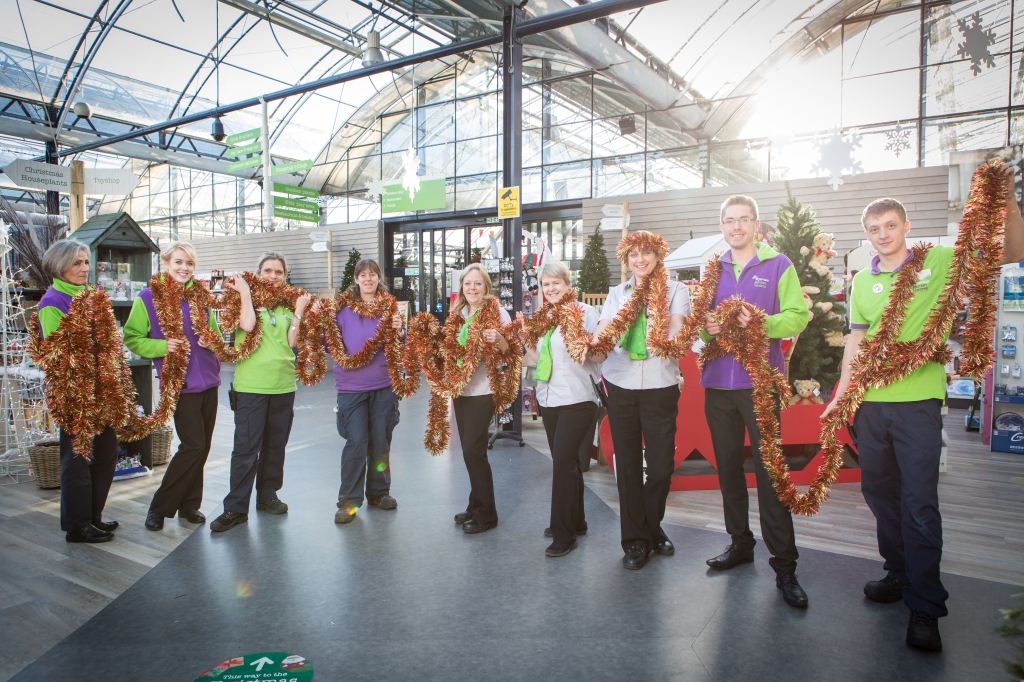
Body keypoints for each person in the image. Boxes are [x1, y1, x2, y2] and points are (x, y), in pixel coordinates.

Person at [824, 165, 1024, 651]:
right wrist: (841, 393)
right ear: (866, 235)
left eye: (890, 226)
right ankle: (897, 573)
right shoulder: (862, 282)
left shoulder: (938, 261)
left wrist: (1010, 202)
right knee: (879, 494)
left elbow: (1009, 252)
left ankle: (926, 605)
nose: (882, 235)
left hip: (917, 403)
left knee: (919, 503)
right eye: (873, 230)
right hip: (870, 405)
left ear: (906, 227)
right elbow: (856, 340)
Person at [700, 195, 810, 608]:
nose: (736, 227)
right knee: (727, 468)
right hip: (718, 384)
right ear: (723, 226)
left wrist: (763, 323)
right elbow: (702, 327)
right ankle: (739, 543)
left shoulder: (779, 265)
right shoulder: (713, 270)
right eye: (729, 221)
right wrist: (709, 327)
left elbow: (798, 316)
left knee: (770, 473)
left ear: (756, 224)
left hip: (759, 384)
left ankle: (785, 566)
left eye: (744, 220)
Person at [592, 230, 690, 570]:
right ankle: (635, 540)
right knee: (628, 466)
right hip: (620, 384)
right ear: (626, 259)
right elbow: (605, 326)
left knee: (661, 467)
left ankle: (651, 526)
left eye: (646, 253)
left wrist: (663, 334)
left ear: (658, 255)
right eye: (633, 254)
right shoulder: (617, 294)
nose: (640, 259)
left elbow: (678, 325)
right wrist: (596, 339)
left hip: (662, 384)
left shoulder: (677, 290)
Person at [124, 241, 227, 531]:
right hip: (180, 384)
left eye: (190, 263)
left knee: (202, 447)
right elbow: (132, 337)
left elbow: (215, 332)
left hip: (210, 380)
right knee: (193, 445)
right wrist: (162, 345)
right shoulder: (147, 298)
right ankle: (160, 507)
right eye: (179, 262)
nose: (184, 268)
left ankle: (190, 504)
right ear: (166, 263)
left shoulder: (200, 297)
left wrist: (212, 340)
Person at [211, 253, 312, 532]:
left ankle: (268, 496)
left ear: (285, 275)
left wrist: (300, 312)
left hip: (283, 386)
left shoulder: (288, 303)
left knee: (275, 446)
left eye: (278, 271)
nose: (273, 275)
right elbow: (247, 325)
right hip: (251, 387)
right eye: (268, 270)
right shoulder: (243, 298)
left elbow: (292, 340)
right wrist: (245, 291)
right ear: (258, 272)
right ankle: (235, 508)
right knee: (245, 449)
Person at [37, 239, 118, 543]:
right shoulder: (53, 303)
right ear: (60, 266)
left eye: (86, 262)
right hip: (75, 394)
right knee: (77, 461)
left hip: (103, 390)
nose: (84, 268)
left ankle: (93, 516)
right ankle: (77, 525)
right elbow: (59, 356)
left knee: (106, 455)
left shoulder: (91, 296)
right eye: (77, 263)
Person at [519, 261, 599, 558]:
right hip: (549, 397)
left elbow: (599, 353)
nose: (551, 289)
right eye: (546, 284)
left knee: (562, 462)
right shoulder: (544, 318)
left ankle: (563, 533)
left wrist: (587, 342)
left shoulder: (585, 313)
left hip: (578, 397)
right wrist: (524, 340)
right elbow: (536, 359)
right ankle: (576, 521)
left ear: (568, 284)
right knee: (567, 462)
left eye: (556, 283)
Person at [331, 259, 405, 525]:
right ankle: (348, 502)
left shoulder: (388, 308)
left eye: (373, 274)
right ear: (356, 279)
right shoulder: (342, 310)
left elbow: (399, 345)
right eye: (363, 275)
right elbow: (331, 342)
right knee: (357, 441)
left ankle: (379, 492)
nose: (368, 279)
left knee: (380, 442)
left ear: (378, 278)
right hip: (351, 387)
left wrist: (399, 330)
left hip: (383, 385)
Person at [450, 263, 512, 535]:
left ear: (486, 286)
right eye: (468, 284)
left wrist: (498, 338)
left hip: (483, 389)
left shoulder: (497, 312)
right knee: (469, 451)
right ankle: (475, 505)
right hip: (460, 390)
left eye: (477, 283)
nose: (472, 288)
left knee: (473, 451)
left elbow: (511, 350)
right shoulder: (459, 313)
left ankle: (488, 514)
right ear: (462, 287)